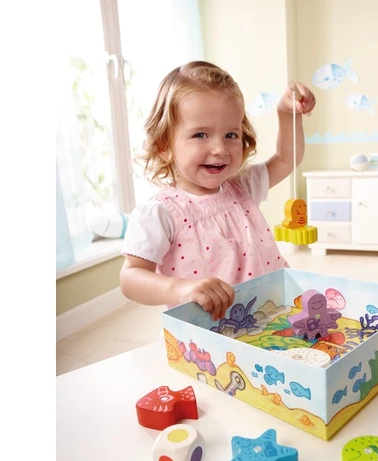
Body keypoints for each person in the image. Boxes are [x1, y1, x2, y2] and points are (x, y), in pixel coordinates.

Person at [119, 61, 316, 321]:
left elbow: (286, 159)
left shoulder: (242, 186)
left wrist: (287, 114)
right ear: (164, 146)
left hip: (269, 314)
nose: (220, 149)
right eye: (201, 135)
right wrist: (179, 289)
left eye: (231, 135)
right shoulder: (160, 213)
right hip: (210, 330)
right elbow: (130, 278)